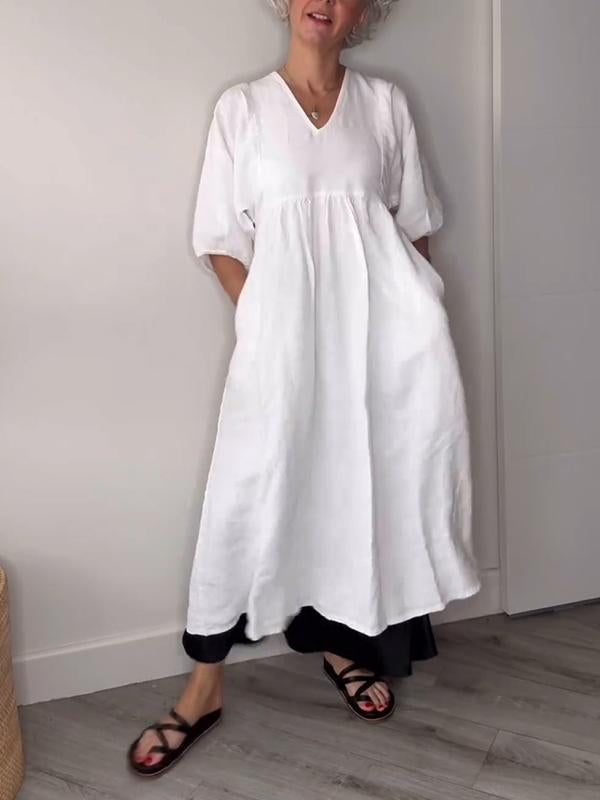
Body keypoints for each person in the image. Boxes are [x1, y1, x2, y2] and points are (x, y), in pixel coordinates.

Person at [127, 0, 482, 777]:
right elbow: (219, 238)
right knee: (247, 492)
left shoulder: (384, 105)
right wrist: (262, 318)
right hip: (283, 342)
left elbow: (413, 223)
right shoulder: (244, 109)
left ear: (365, 10)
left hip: (379, 344)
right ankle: (203, 689)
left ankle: (342, 647)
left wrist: (418, 310)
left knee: (357, 489)